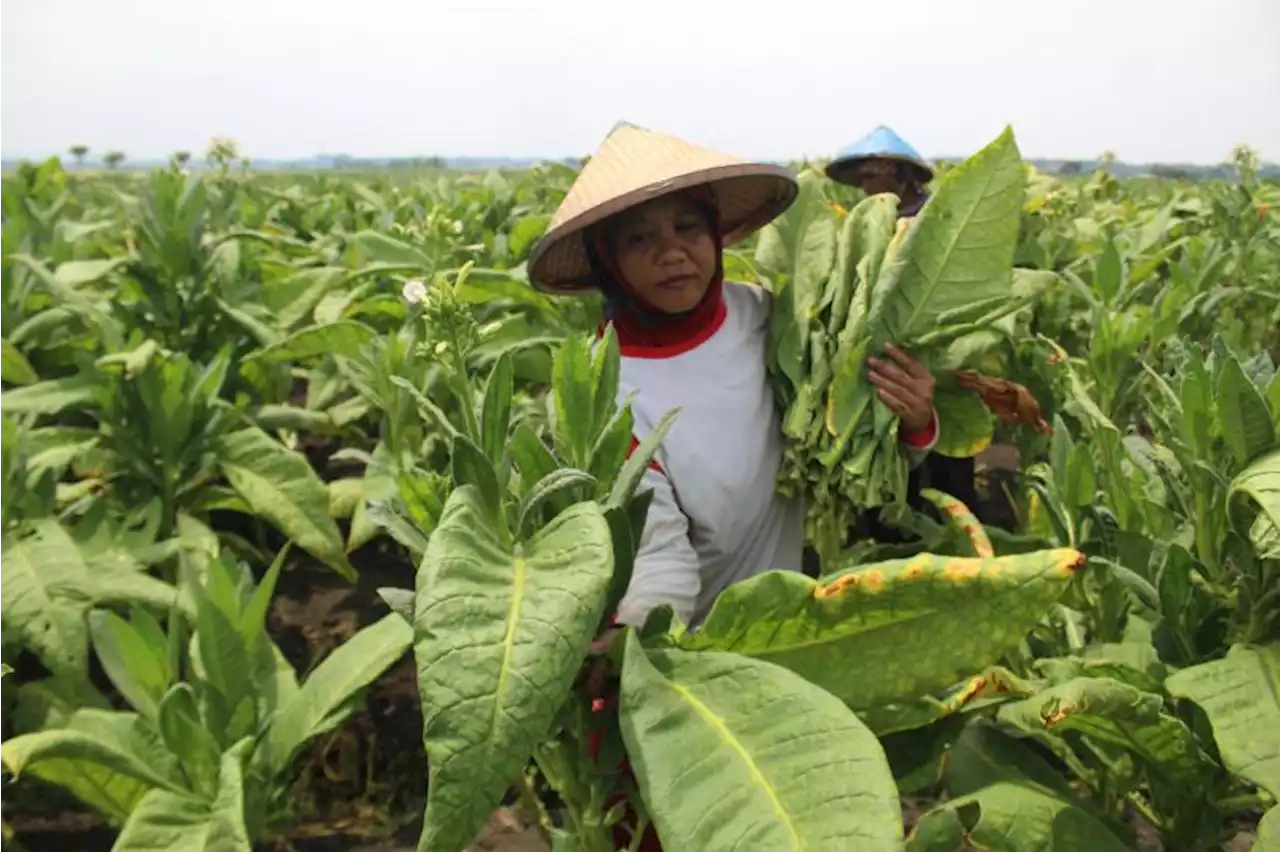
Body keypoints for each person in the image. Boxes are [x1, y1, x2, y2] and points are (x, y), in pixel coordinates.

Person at [527, 121, 939, 850]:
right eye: (639, 238)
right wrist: (643, 653)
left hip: (785, 636)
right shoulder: (603, 383)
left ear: (718, 234)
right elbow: (655, 550)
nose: (672, 252)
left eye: (689, 226)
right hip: (670, 652)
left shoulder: (774, 320)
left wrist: (910, 421)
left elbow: (850, 457)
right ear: (606, 260)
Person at [825, 125, 981, 526]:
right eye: (859, 179)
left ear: (896, 172)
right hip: (882, 365)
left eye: (870, 176)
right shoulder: (872, 221)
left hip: (935, 361)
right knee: (893, 470)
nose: (863, 187)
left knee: (946, 472)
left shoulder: (935, 222)